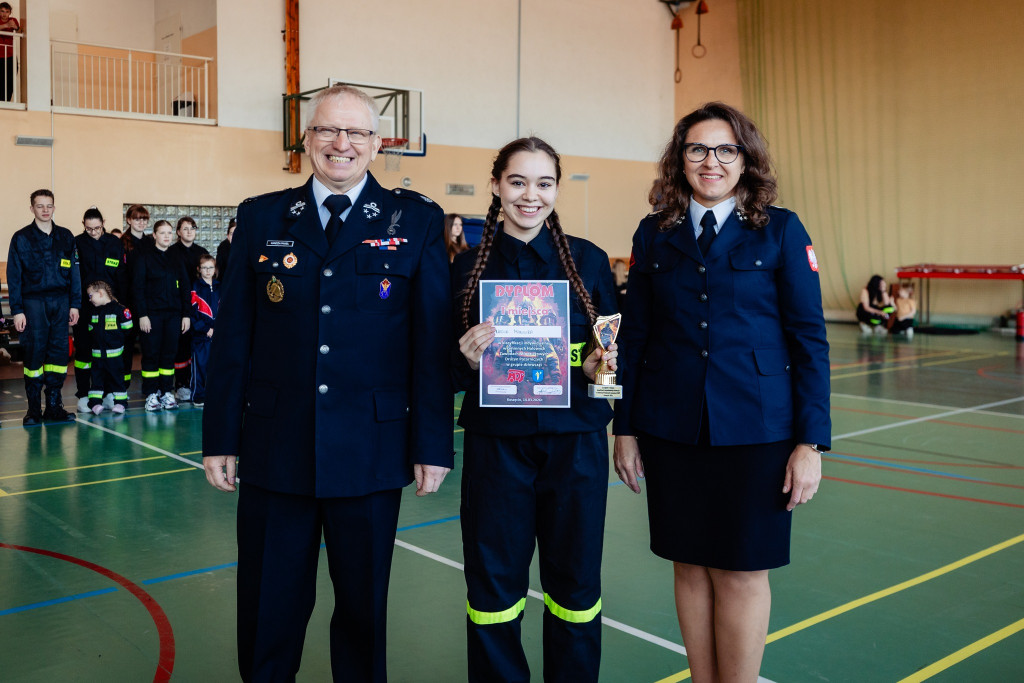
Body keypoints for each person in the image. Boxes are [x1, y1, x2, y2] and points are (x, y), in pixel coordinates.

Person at [202, 84, 453, 682]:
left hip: (371, 448)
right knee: (268, 608)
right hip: (274, 447)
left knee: (364, 611)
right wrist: (219, 437)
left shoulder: (415, 220)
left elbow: (431, 344)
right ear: (306, 140)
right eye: (327, 131)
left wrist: (432, 446)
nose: (341, 144)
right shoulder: (261, 216)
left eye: (357, 133)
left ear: (377, 144)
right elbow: (233, 334)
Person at [612, 102, 831, 683]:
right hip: (670, 427)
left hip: (758, 430)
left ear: (746, 159)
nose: (711, 161)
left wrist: (811, 443)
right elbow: (634, 336)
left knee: (740, 569)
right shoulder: (653, 234)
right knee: (688, 565)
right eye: (697, 149)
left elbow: (809, 337)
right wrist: (625, 427)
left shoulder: (781, 229)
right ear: (679, 159)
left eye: (726, 150)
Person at [453, 137, 618, 683]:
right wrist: (467, 361)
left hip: (576, 450)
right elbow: (438, 369)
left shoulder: (590, 262)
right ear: (496, 185)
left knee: (574, 589)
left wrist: (601, 374)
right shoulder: (463, 272)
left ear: (556, 189)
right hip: (495, 449)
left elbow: (613, 368)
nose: (531, 196)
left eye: (544, 183)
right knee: (494, 589)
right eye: (518, 182)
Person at [7, 189, 81, 425]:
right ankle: (33, 410)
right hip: (33, 304)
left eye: (49, 205)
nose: (45, 210)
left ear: (54, 207)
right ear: (32, 209)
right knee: (34, 354)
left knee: (59, 355)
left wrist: (75, 304)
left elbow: (75, 274)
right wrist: (17, 309)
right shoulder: (21, 238)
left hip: (61, 303)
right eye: (40, 206)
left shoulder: (66, 237)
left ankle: (54, 406)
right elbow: (14, 276)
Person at [132, 219, 190, 411]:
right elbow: (138, 288)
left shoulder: (176, 258)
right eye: (162, 233)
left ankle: (166, 391)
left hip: (173, 315)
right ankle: (151, 394)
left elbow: (185, 288)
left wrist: (186, 315)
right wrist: (142, 315)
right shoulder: (145, 258)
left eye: (169, 233)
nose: (166, 236)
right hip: (152, 315)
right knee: (151, 355)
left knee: (168, 355)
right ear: (154, 235)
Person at [73, 207, 126, 413]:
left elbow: (121, 275)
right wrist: (74, 304)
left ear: (103, 222)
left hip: (110, 308)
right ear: (83, 225)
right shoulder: (77, 242)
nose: (93, 232)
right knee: (85, 350)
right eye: (89, 228)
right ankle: (84, 395)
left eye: (97, 228)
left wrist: (121, 304)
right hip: (85, 307)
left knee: (110, 351)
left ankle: (109, 393)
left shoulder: (114, 243)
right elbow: (73, 276)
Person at [167, 216, 209, 401]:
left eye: (192, 228)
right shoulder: (171, 252)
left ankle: (198, 382)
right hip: (179, 303)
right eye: (185, 228)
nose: (189, 231)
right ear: (178, 232)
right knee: (181, 346)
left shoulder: (202, 252)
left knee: (199, 345)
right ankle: (181, 384)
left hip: (199, 305)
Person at [83, 280, 132, 414]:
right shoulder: (94, 312)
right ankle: (95, 404)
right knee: (97, 381)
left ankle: (121, 403)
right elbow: (90, 330)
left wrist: (116, 340)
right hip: (98, 356)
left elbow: (128, 328)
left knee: (117, 380)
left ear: (100, 293)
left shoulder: (120, 310)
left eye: (90, 295)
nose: (89, 299)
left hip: (114, 356)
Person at [120, 204, 153, 389]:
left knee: (149, 346)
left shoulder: (150, 242)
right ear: (129, 220)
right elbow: (119, 275)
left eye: (144, 219)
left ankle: (149, 388)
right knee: (126, 347)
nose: (141, 222)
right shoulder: (121, 243)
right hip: (128, 304)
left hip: (148, 304)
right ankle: (121, 388)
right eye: (137, 218)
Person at [189, 254, 218, 407]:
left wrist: (216, 328)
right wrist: (205, 328)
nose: (208, 271)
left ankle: (214, 393)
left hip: (217, 334)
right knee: (200, 366)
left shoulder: (221, 286)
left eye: (211, 267)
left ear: (215, 269)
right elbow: (192, 312)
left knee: (216, 367)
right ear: (199, 269)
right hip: (201, 336)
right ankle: (198, 395)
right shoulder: (195, 287)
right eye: (204, 268)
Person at [0, 2, 19, 102]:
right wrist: (6, 25)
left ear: (10, 13)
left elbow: (19, 30)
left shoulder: (13, 20)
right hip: (0, 55)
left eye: (7, 12)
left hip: (10, 54)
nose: (4, 14)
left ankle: (6, 101)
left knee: (10, 79)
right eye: (2, 11)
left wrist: (15, 27)